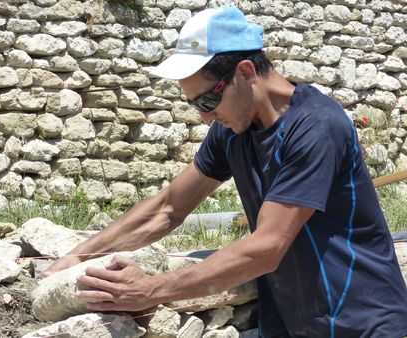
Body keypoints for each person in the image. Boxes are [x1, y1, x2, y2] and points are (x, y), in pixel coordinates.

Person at [43, 6, 407, 338]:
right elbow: (168, 208)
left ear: (245, 72)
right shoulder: (232, 131)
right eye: (194, 106)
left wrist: (150, 290)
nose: (204, 116)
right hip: (293, 325)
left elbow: (267, 246)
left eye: (207, 100)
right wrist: (80, 256)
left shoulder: (316, 126)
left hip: (362, 323)